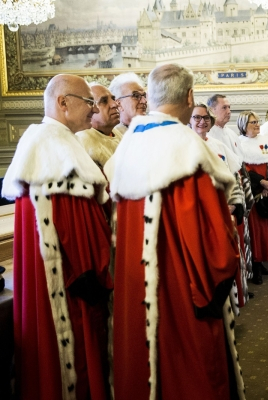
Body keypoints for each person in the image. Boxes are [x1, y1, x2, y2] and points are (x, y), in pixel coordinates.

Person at [105, 64, 245, 399]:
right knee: (190, 373)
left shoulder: (126, 148)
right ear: (189, 96)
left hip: (135, 291)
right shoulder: (189, 150)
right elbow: (214, 251)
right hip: (185, 294)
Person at [2, 74, 113, 399]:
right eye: (88, 102)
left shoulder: (54, 143)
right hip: (70, 284)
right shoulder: (52, 148)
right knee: (73, 360)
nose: (93, 110)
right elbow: (70, 227)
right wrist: (95, 271)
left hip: (65, 278)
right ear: (63, 102)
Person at [190, 103, 251, 310]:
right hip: (200, 217)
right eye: (197, 117)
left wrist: (233, 205)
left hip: (226, 213)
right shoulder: (185, 146)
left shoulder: (219, 146)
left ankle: (231, 307)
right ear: (189, 120)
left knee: (228, 260)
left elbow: (234, 177)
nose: (202, 121)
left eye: (206, 118)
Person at [238, 111, 268, 285]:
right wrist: (261, 183)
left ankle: (261, 263)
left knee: (265, 231)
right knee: (253, 233)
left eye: (257, 121)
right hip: (252, 194)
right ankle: (255, 267)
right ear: (243, 125)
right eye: (252, 122)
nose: (256, 125)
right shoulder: (239, 144)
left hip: (266, 193)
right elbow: (243, 171)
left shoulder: (265, 142)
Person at [75, 83, 122, 169]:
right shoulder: (83, 142)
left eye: (113, 99)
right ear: (90, 108)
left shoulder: (118, 134)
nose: (115, 104)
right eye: (104, 101)